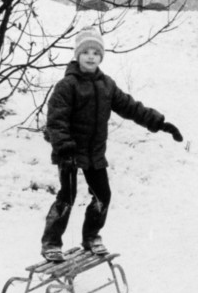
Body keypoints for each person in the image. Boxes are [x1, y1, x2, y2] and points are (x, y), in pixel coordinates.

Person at [41, 28, 184, 261]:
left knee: (102, 196)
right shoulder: (67, 86)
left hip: (95, 153)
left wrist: (160, 123)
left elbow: (131, 107)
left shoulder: (107, 85)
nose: (90, 56)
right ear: (77, 55)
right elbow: (56, 120)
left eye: (95, 53)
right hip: (69, 152)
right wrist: (63, 146)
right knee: (67, 197)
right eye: (85, 52)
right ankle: (51, 243)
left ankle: (91, 236)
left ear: (101, 57)